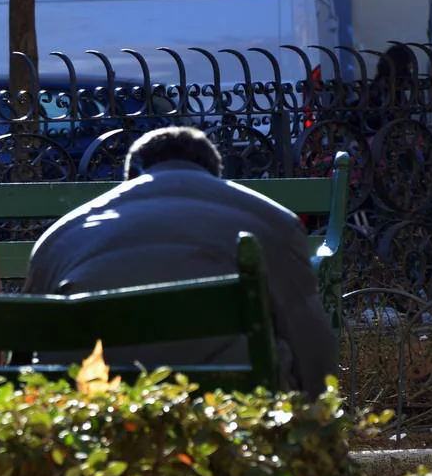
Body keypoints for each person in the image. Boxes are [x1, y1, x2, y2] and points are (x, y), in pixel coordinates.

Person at [24, 126, 337, 396]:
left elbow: (29, 346)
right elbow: (309, 339)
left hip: (98, 409)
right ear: (213, 175)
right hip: (229, 410)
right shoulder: (271, 222)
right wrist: (317, 426)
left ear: (130, 177)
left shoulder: (60, 236)